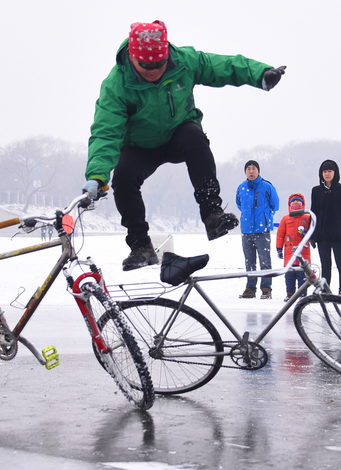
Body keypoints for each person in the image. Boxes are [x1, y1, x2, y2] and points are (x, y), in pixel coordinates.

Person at [81, 20, 286, 271]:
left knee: (196, 139)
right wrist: (97, 174)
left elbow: (223, 65)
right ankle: (140, 245)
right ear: (133, 58)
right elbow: (105, 132)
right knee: (122, 178)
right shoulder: (116, 85)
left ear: (167, 54)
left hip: (178, 131)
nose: (154, 70)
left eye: (159, 63)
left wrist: (260, 73)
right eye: (147, 65)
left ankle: (212, 214)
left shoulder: (185, 61)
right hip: (139, 145)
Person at [309, 160, 341, 296]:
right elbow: (313, 213)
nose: (327, 174)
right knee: (325, 266)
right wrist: (313, 235)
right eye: (324, 171)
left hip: (339, 235)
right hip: (322, 236)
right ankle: (326, 291)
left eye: (329, 171)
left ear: (335, 173)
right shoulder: (316, 191)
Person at [236, 160, 279, 299]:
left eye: (253, 168)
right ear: (245, 172)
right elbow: (239, 204)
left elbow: (275, 205)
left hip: (262, 230)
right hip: (247, 230)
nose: (251, 171)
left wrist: (265, 217)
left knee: (265, 261)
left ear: (258, 171)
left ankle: (266, 289)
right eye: (248, 169)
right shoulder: (241, 188)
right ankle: (250, 288)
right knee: (249, 261)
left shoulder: (266, 186)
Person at [276, 193, 312, 300]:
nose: (296, 205)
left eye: (298, 203)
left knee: (303, 276)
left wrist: (306, 233)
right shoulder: (286, 219)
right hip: (289, 253)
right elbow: (280, 235)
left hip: (303, 252)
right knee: (289, 276)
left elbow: (312, 233)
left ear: (303, 205)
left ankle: (302, 294)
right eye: (293, 203)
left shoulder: (307, 217)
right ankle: (290, 294)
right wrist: (279, 249)